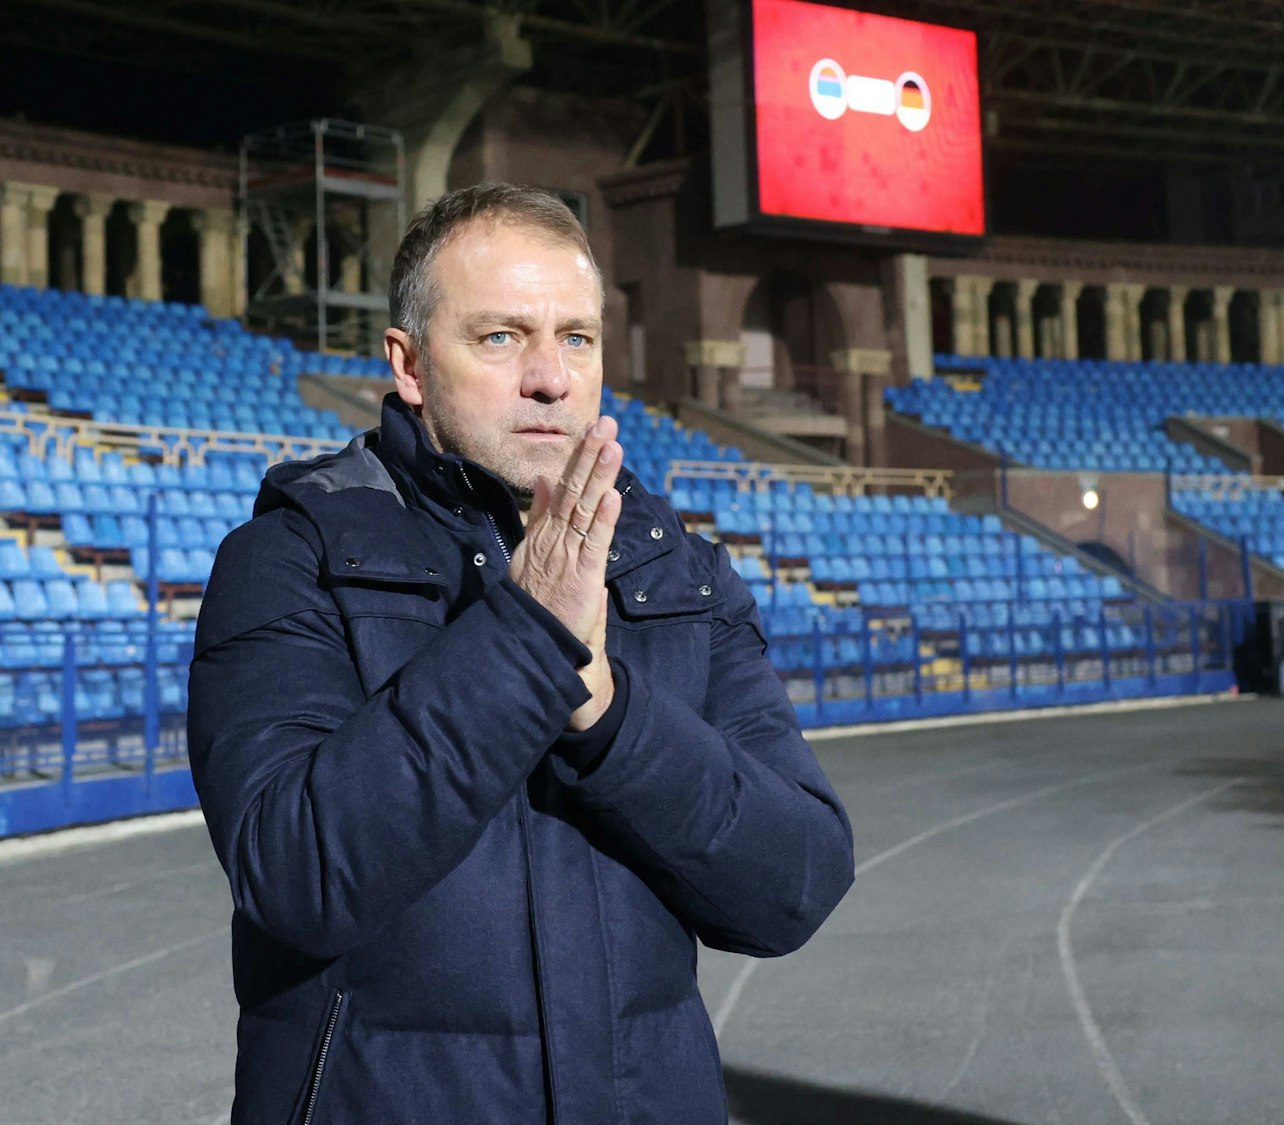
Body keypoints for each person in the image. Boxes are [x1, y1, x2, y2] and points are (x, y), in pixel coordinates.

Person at [188, 183, 854, 1124]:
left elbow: (796, 884)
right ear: (410, 364)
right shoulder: (290, 557)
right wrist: (524, 640)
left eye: (576, 338)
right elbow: (295, 876)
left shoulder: (681, 575)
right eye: (501, 337)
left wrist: (611, 718)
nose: (551, 377)